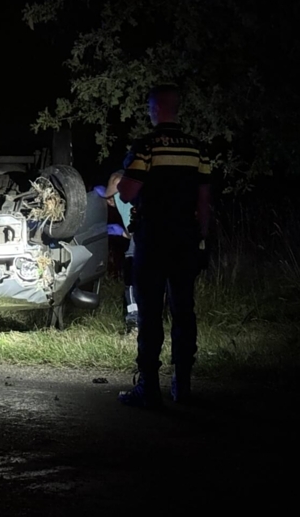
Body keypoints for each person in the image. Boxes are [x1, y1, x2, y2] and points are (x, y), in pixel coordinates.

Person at [116, 83, 212, 408]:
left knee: (150, 313)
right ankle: (181, 386)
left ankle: (149, 387)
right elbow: (204, 199)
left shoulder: (147, 147)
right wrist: (201, 237)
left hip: (153, 238)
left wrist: (128, 174)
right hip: (185, 238)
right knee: (183, 311)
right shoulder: (197, 149)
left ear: (155, 109)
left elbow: (127, 192)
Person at [95, 170, 139, 333]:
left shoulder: (124, 189)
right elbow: (131, 231)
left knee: (132, 280)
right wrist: (121, 232)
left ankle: (134, 322)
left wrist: (107, 193)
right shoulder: (126, 204)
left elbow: (117, 178)